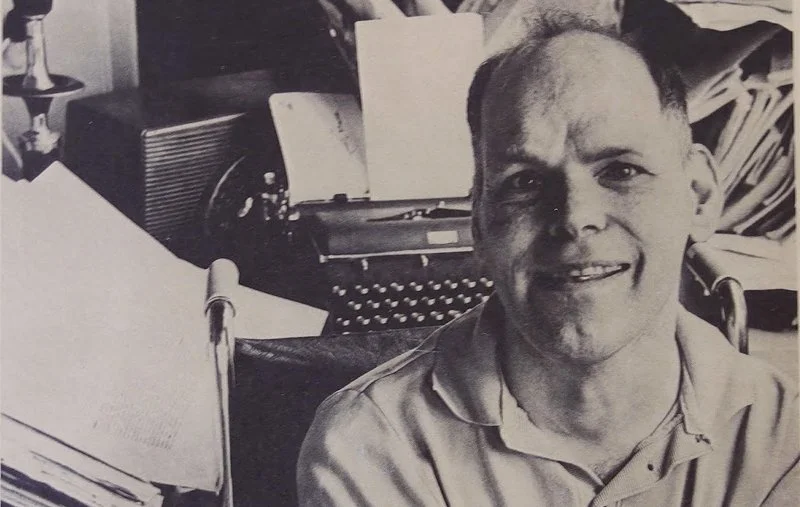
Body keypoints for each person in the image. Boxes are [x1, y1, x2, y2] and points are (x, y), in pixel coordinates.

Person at [297, 16, 799, 506]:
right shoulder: (372, 448)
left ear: (699, 196)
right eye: (525, 182)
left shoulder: (786, 438)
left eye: (621, 171)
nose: (575, 218)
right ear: (477, 223)